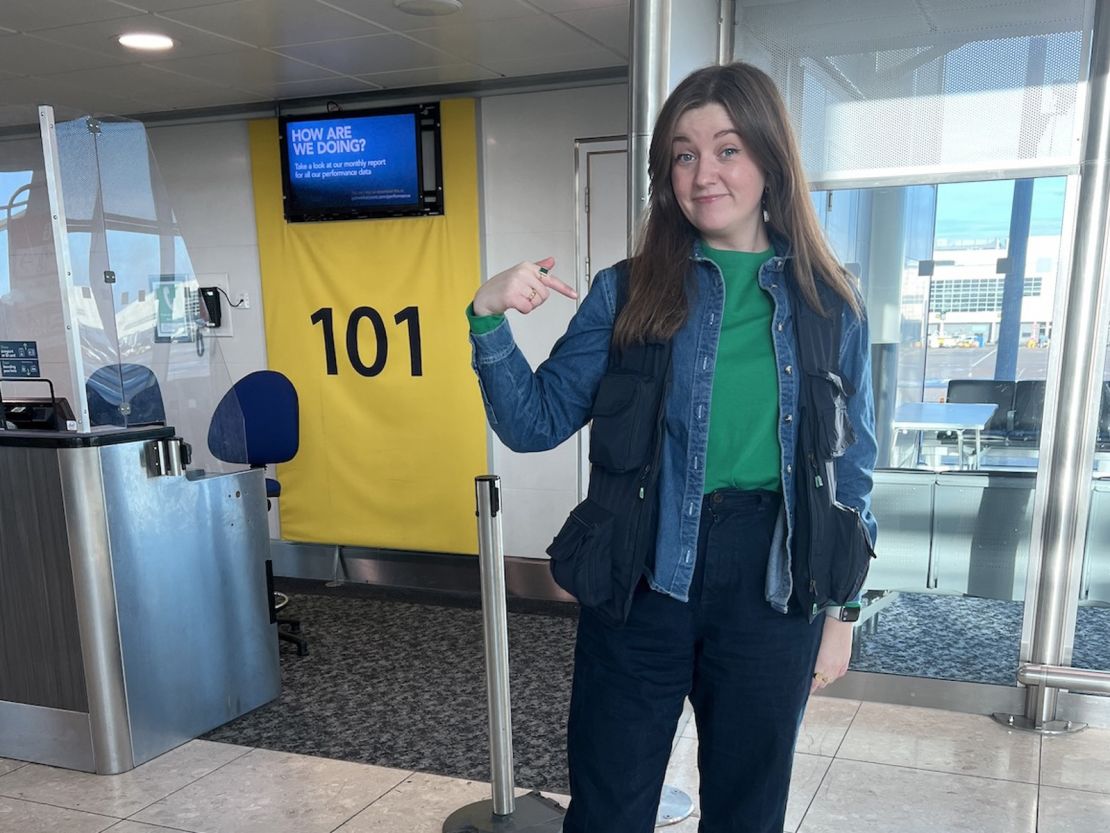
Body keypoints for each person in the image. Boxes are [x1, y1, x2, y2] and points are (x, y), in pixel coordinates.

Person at [465, 62, 877, 833]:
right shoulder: (626, 292)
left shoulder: (831, 305)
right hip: (642, 580)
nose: (704, 172)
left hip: (772, 588)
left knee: (746, 813)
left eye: (726, 149)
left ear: (769, 158)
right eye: (683, 154)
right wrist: (490, 319)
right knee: (609, 810)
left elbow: (850, 473)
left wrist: (842, 611)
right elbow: (535, 422)